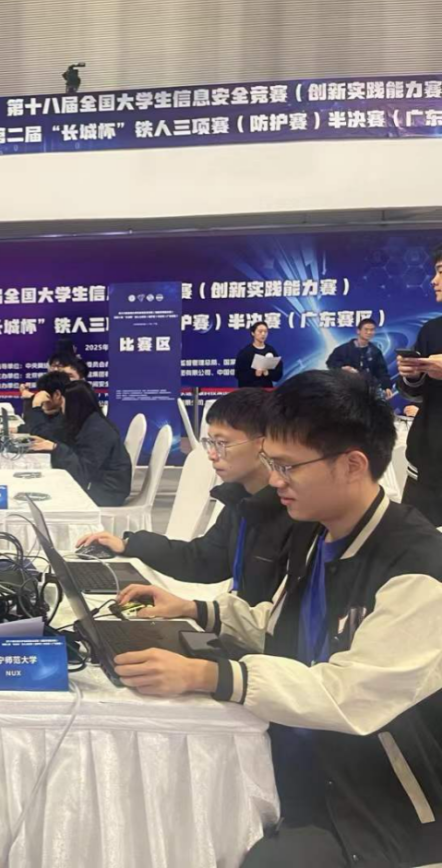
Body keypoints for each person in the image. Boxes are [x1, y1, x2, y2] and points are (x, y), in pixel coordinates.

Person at [109, 370, 442, 867]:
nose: (276, 480)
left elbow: (350, 694)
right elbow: (282, 624)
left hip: (373, 801)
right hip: (296, 750)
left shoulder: (419, 566)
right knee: (162, 804)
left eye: (288, 467)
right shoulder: (316, 531)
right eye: (271, 463)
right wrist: (194, 609)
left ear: (353, 464)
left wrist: (211, 675)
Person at [74, 388, 292, 604]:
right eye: (210, 443)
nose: (212, 454)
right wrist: (130, 545)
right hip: (239, 621)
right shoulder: (241, 500)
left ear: (265, 444)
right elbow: (203, 559)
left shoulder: (294, 511)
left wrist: (195, 611)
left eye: (222, 444)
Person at [30, 380, 131, 505]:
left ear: (73, 405)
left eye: (63, 403)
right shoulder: (84, 421)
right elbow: (55, 434)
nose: (61, 407)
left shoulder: (97, 430)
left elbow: (83, 472)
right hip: (95, 483)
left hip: (105, 492)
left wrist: (56, 448)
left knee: (45, 493)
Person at [397, 248, 442, 526]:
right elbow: (413, 392)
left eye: (441, 272)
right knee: (415, 542)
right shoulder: (432, 330)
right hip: (428, 465)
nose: (434, 281)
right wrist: (412, 375)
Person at [327, 318, 393, 400]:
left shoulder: (375, 351)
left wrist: (386, 386)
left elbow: (381, 371)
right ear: (358, 331)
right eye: (366, 329)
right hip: (345, 389)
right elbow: (331, 363)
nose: (369, 332)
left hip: (367, 390)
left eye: (372, 330)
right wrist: (343, 368)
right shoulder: (343, 349)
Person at [235, 321, 283, 388]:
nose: (263, 334)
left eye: (265, 332)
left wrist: (268, 373)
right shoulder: (245, 352)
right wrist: (254, 373)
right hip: (250, 390)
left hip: (267, 389)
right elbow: (239, 374)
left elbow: (278, 373)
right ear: (253, 333)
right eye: (260, 331)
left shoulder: (271, 350)